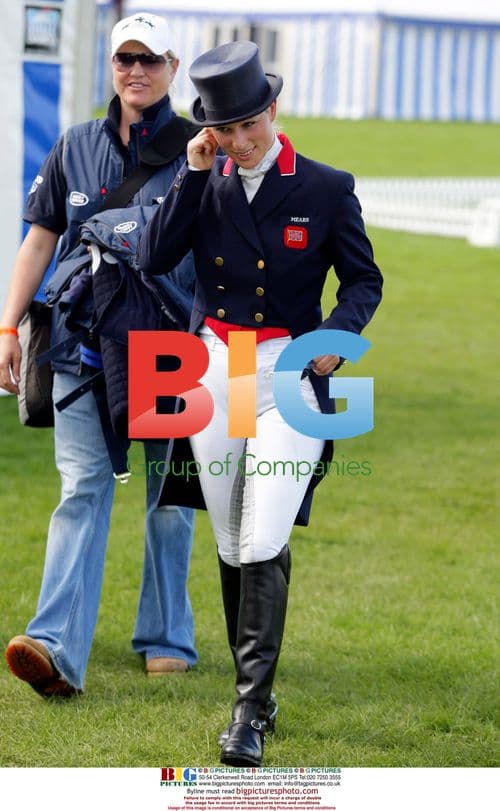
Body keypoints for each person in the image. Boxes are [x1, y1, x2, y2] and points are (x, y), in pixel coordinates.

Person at [138, 41, 383, 765]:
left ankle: (247, 711)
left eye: (252, 124)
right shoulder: (201, 176)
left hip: (287, 371)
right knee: (227, 539)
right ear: (207, 130)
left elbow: (364, 281)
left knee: (265, 534)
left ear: (273, 110)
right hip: (212, 367)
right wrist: (189, 174)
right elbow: (153, 257)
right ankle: (261, 689)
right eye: (226, 130)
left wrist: (338, 337)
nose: (242, 142)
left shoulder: (327, 187)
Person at [0, 12, 198, 697]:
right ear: (111, 67)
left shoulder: (197, 151)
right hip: (81, 346)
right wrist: (6, 328)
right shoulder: (75, 144)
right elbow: (38, 239)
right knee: (83, 487)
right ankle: (54, 647)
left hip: (174, 350)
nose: (136, 71)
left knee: (169, 498)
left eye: (150, 59)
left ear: (173, 67)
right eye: (124, 59)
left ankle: (167, 634)